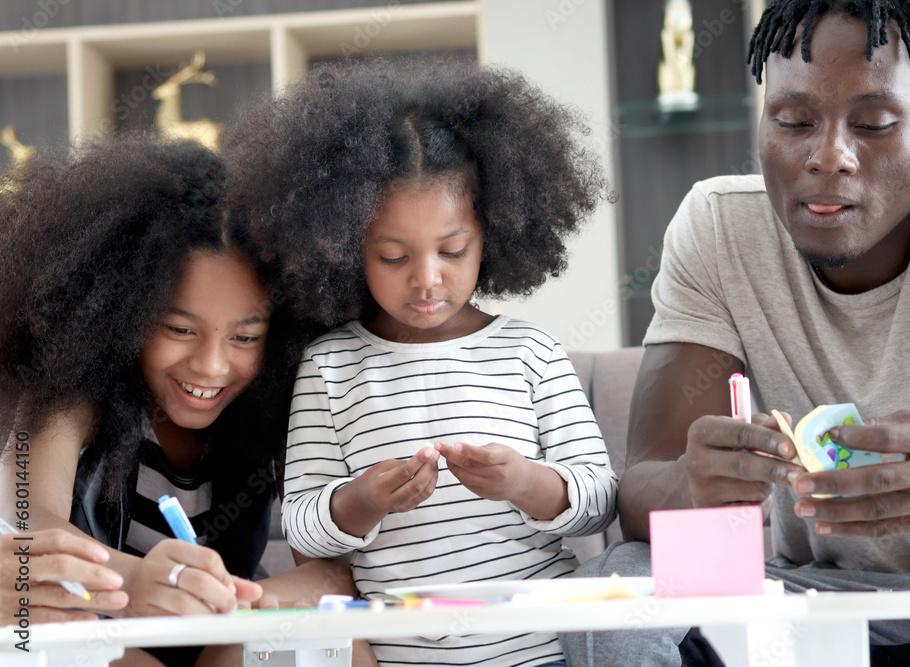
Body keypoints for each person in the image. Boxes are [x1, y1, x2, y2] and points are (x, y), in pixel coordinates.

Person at [561, 1, 910, 665]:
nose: (829, 157)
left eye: (875, 124)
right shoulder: (718, 228)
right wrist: (692, 482)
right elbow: (641, 494)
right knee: (616, 581)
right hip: (809, 602)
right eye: (793, 121)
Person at [222, 59, 619, 666]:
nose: (426, 279)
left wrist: (523, 482)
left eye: (452, 249)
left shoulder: (530, 352)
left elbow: (599, 499)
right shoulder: (330, 366)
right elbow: (301, 527)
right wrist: (364, 498)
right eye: (392, 255)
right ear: (345, 246)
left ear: (494, 234)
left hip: (541, 654)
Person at [0, 133, 346, 667]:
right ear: (124, 311)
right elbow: (25, 514)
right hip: (101, 634)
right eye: (179, 329)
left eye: (245, 337)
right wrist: (131, 580)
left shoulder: (286, 405)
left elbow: (327, 570)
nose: (211, 366)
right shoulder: (72, 391)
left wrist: (246, 615)